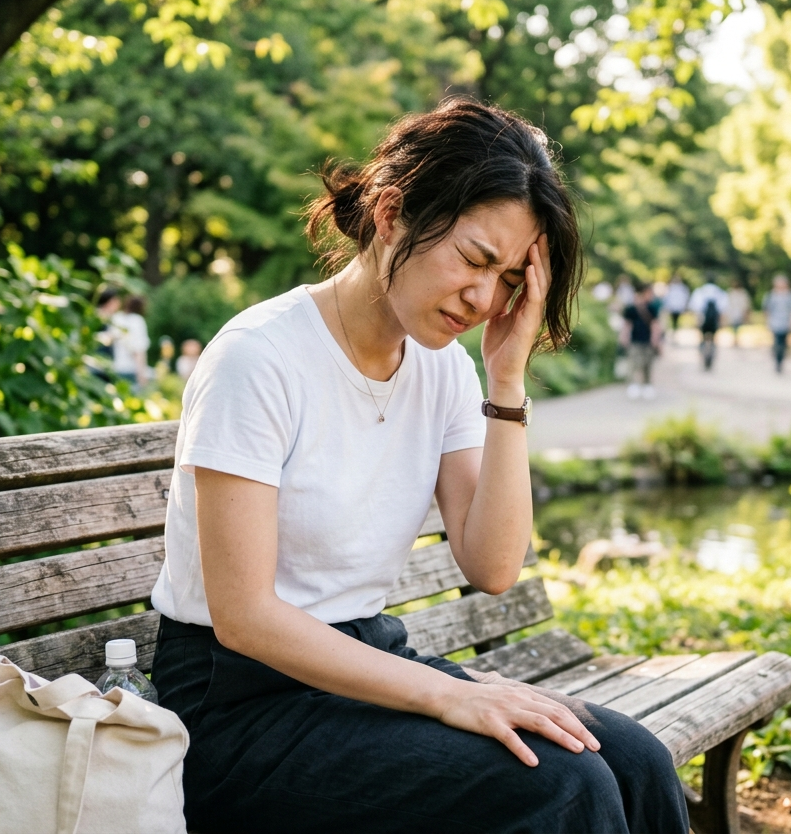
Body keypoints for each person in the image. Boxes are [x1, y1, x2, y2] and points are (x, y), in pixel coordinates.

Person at [148, 98, 689, 834]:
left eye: (507, 277)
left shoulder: (443, 370)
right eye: (474, 259)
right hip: (238, 712)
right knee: (560, 784)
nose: (484, 297)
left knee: (635, 760)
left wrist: (506, 381)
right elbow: (245, 620)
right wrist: (448, 695)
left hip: (362, 671)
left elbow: (493, 566)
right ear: (393, 212)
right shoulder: (259, 357)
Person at [623, 282, 662, 399]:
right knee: (634, 363)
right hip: (635, 339)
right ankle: (633, 385)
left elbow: (655, 325)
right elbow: (627, 324)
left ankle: (647, 385)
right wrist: (624, 337)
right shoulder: (631, 308)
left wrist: (655, 339)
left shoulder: (652, 307)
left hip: (648, 340)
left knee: (648, 364)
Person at [762, 275, 791, 373]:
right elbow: (767, 310)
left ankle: (781, 359)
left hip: (786, 323)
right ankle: (776, 357)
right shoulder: (771, 295)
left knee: (784, 343)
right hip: (775, 322)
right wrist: (767, 321)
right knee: (777, 341)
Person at [689, 273, 727, 371]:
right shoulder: (720, 292)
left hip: (703, 320)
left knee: (702, 338)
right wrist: (721, 322)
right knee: (713, 339)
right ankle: (712, 355)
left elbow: (695, 307)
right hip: (714, 321)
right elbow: (723, 309)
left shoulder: (700, 291)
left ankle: (703, 354)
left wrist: (696, 321)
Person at [111, 295, 151, 387]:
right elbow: (138, 350)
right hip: (131, 369)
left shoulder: (117, 318)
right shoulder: (137, 321)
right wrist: (141, 374)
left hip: (115, 367)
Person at [664, 272, 690, 344]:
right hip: (674, 307)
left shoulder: (680, 288)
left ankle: (674, 334)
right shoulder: (672, 288)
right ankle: (673, 334)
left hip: (676, 307)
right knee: (673, 322)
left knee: (675, 322)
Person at [725, 277, 751, 344]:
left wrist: (745, 312)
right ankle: (735, 337)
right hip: (732, 312)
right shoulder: (730, 292)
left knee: (738, 325)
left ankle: (736, 337)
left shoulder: (743, 292)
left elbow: (746, 303)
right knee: (733, 325)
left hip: (740, 311)